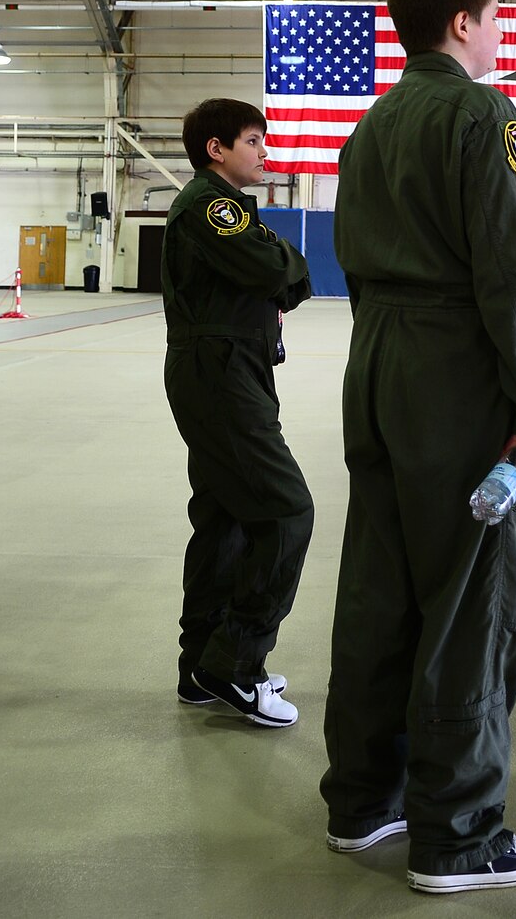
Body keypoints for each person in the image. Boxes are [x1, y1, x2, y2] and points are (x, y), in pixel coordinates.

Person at [322, 0, 516, 896]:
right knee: (471, 595)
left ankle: (362, 799)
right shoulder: (481, 112)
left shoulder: (372, 122)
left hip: (377, 360)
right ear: (463, 22)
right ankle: (460, 835)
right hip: (454, 370)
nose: (501, 32)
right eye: (496, 16)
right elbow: (505, 270)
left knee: (381, 590)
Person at [163, 99, 314, 726]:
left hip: (229, 365)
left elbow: (281, 278)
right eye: (253, 140)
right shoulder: (211, 204)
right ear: (216, 148)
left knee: (225, 515)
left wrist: (282, 276)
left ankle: (201, 665)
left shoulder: (225, 207)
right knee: (285, 509)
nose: (264, 151)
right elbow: (277, 267)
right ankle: (236, 663)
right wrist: (284, 269)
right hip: (220, 371)